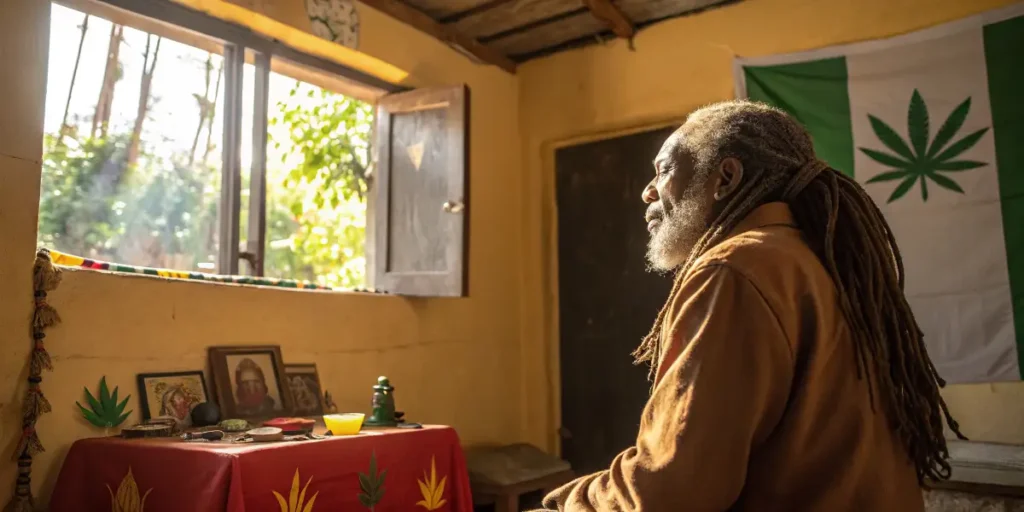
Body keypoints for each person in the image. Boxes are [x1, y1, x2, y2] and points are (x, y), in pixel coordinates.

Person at [540, 100, 963, 511]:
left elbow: (672, 491)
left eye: (664, 170)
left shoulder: (735, 269)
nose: (647, 191)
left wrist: (567, 503)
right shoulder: (827, 262)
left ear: (725, 178)